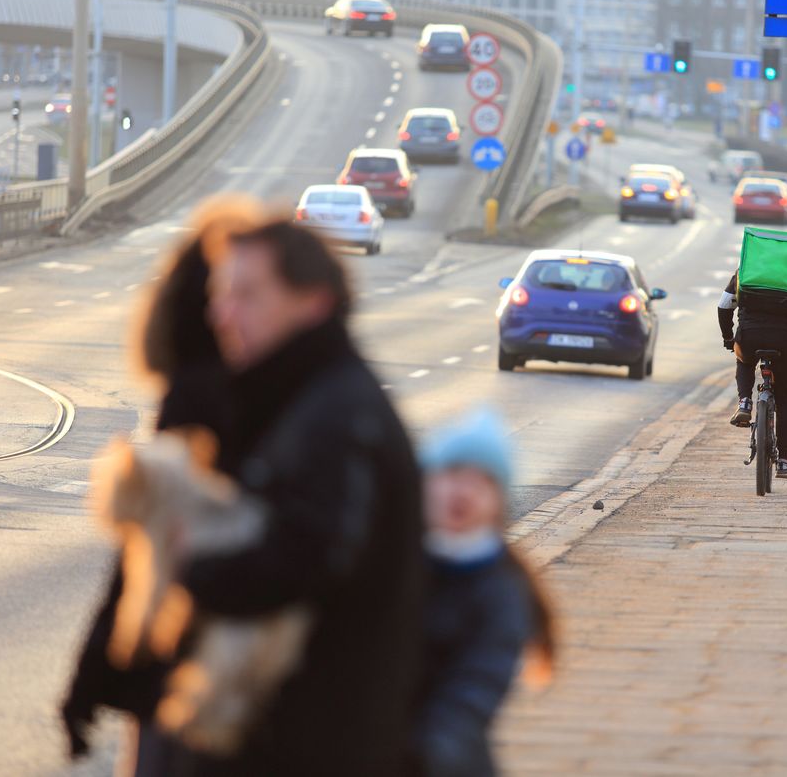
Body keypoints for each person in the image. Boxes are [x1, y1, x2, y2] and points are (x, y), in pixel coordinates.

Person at [169, 219, 424, 775]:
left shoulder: (331, 413)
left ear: (312, 303)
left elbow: (310, 552)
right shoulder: (308, 394)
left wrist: (193, 564)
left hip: (311, 740)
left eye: (246, 295)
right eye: (221, 295)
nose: (222, 315)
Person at [61, 196, 263, 774]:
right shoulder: (274, 387)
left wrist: (89, 681)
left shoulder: (194, 397)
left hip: (182, 665)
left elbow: (142, 554)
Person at [414, 409, 555, 777]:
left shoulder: (502, 591)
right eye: (452, 473)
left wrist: (424, 751)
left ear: (499, 505)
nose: (463, 490)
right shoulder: (394, 567)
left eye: (482, 482)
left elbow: (477, 687)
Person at [717, 271, 787, 479]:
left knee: (744, 360)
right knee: (785, 398)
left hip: (749, 337)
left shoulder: (744, 273)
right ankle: (783, 462)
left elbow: (724, 306)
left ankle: (745, 402)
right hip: (783, 342)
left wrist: (728, 337)